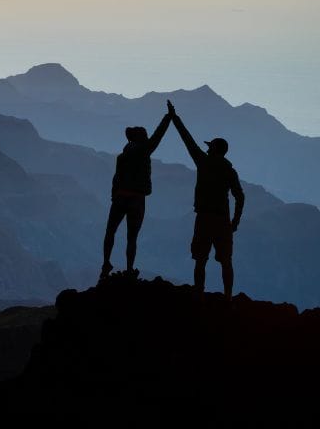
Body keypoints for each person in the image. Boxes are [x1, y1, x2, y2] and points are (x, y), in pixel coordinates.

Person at [167, 99, 245, 301]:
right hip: (223, 221)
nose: (208, 149)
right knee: (226, 261)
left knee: (200, 260)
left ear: (213, 149)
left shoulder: (203, 162)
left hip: (204, 218)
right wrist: (235, 221)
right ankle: (228, 297)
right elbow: (240, 196)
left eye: (210, 147)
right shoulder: (230, 171)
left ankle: (198, 293)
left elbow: (187, 139)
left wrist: (174, 118)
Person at [100, 110, 172, 281]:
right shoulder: (144, 150)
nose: (147, 137)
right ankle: (130, 269)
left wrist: (114, 196)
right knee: (132, 237)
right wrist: (168, 117)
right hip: (137, 200)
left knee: (110, 231)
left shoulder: (122, 156)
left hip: (119, 198)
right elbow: (158, 135)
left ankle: (106, 263)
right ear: (140, 137)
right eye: (145, 135)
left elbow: (116, 179)